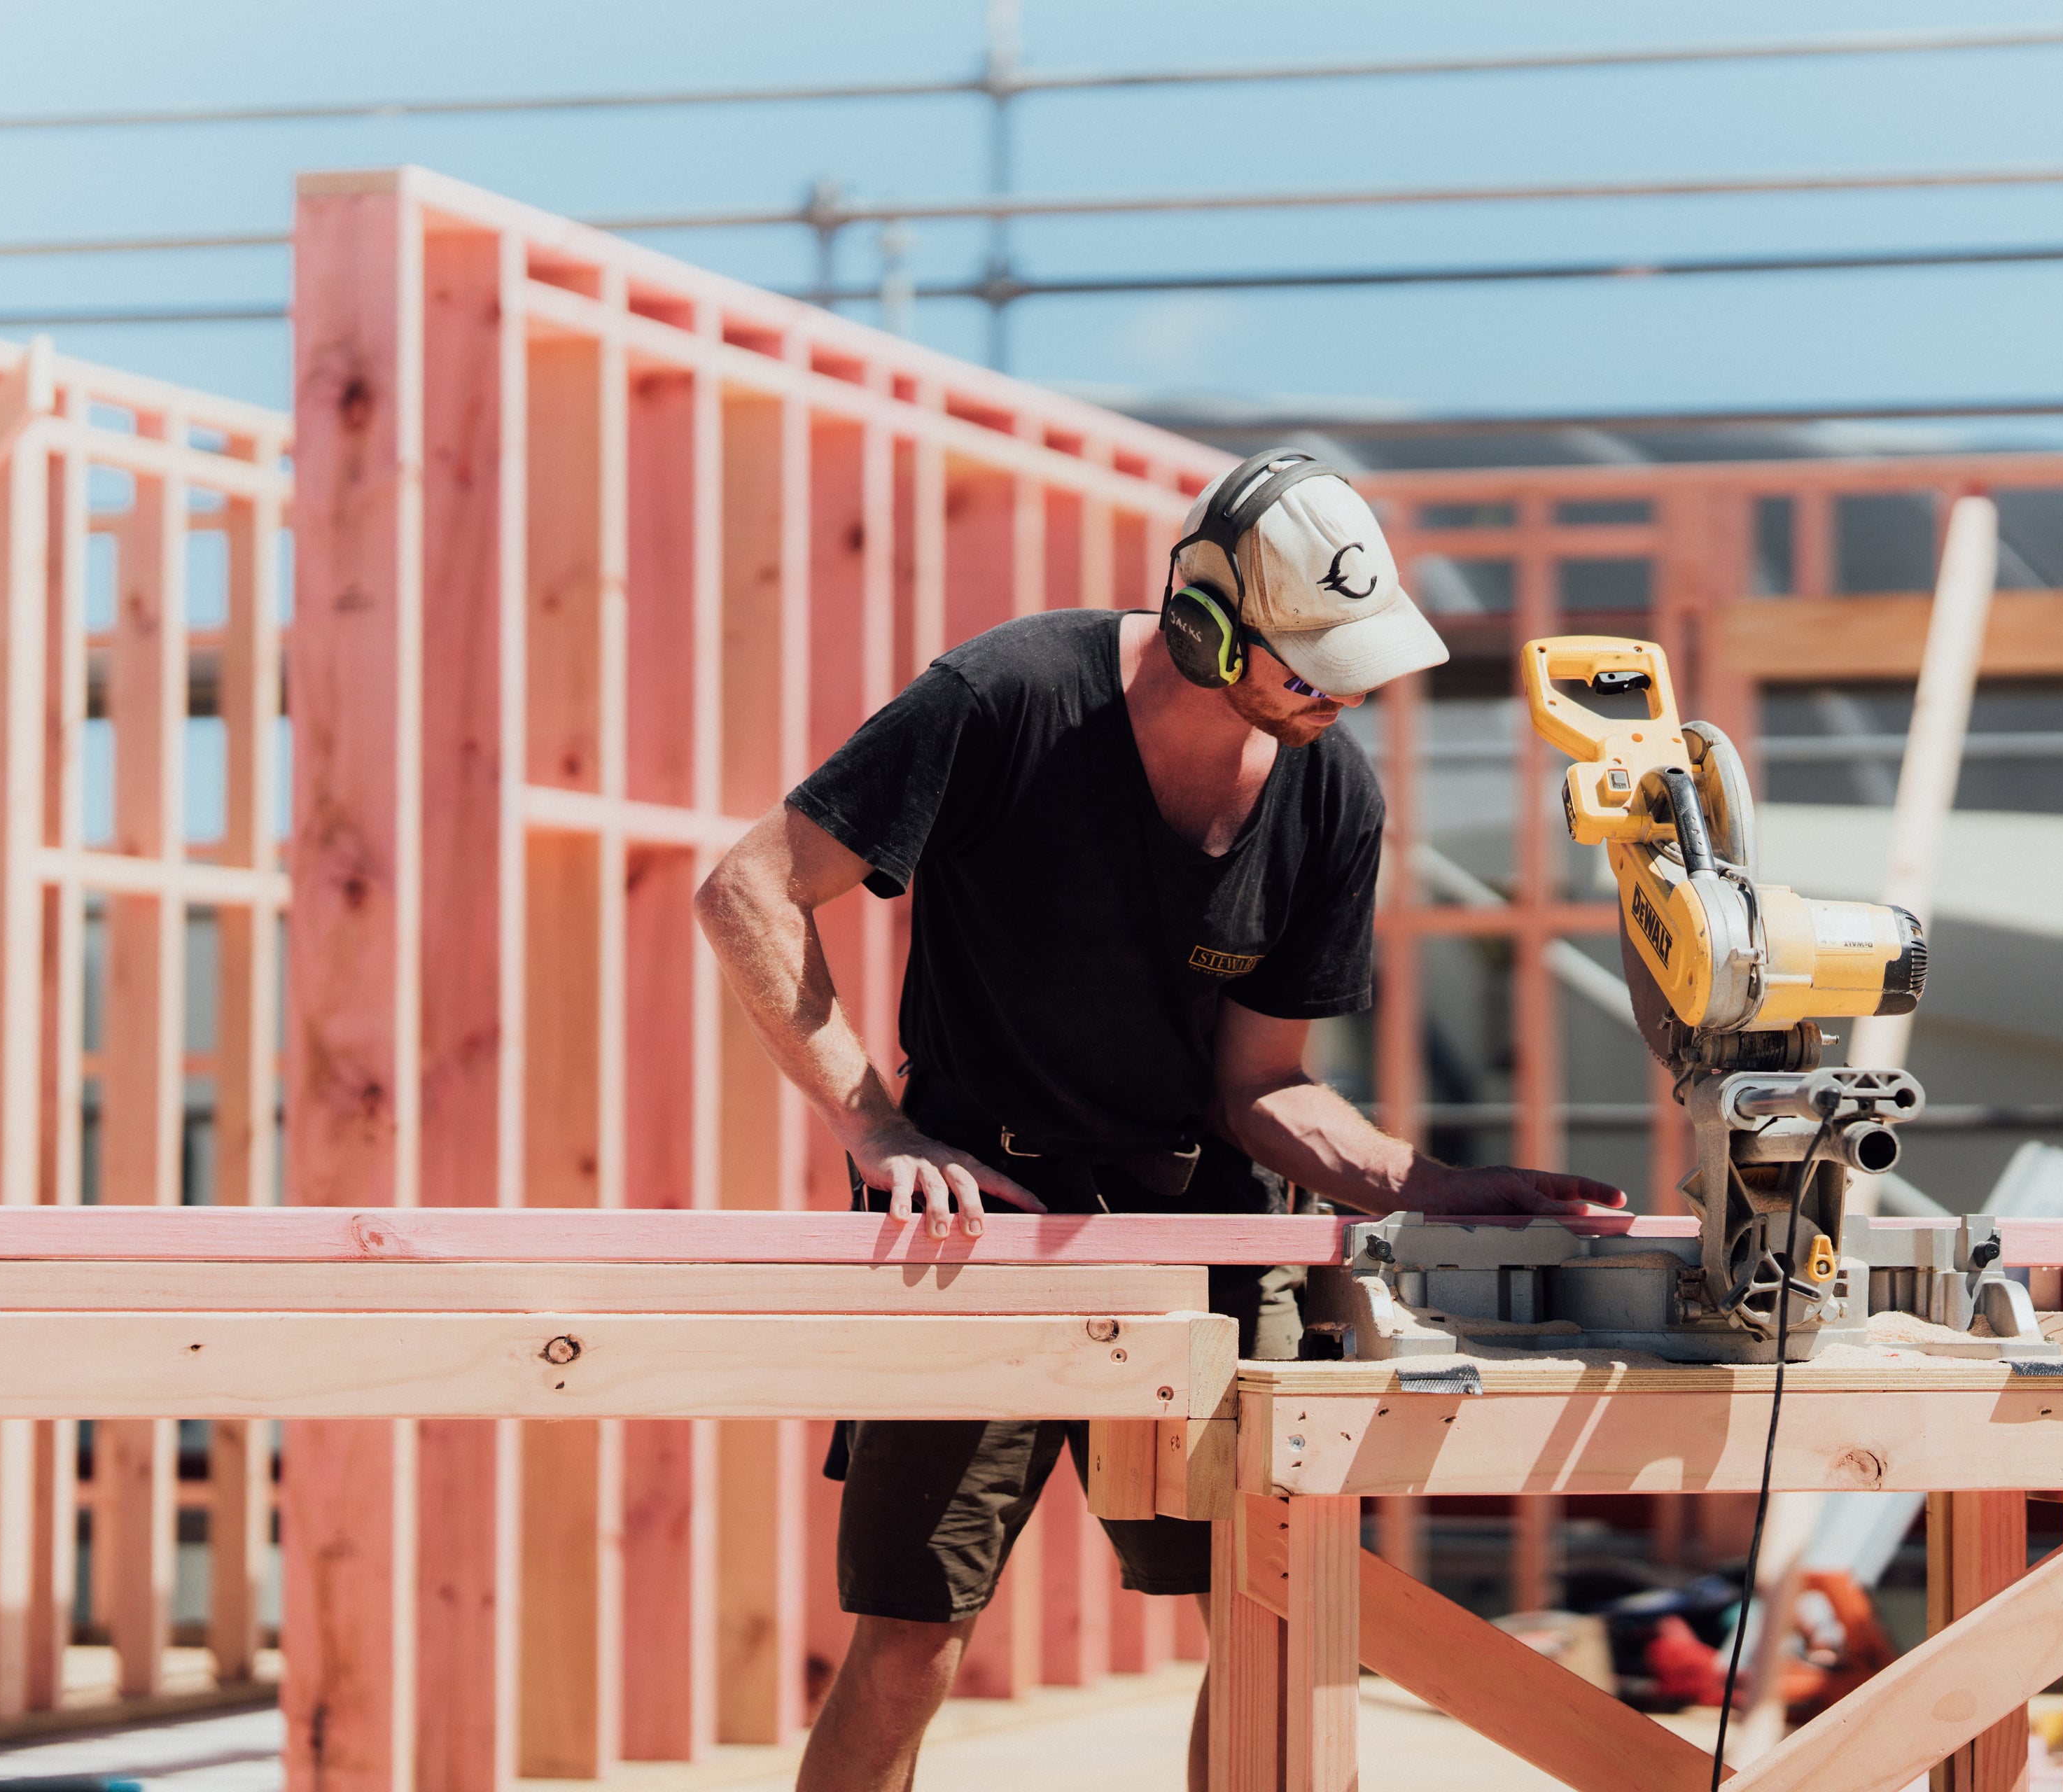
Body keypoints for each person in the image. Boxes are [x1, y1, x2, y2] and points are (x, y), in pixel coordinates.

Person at [694, 449, 1624, 1792]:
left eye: (1357, 665)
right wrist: (879, 1133)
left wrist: (1424, 1186)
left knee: (1266, 1625)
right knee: (909, 1649)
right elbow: (749, 892)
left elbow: (1260, 1088)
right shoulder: (1007, 698)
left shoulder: (1329, 793)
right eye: (1312, 664)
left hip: (1203, 1234)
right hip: (981, 1226)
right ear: (1206, 617)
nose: (1341, 694)